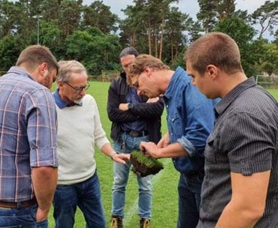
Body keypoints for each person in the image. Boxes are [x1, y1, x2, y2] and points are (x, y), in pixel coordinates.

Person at [184, 32, 278, 228]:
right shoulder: (259, 96)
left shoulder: (243, 116)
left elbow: (247, 208)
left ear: (211, 71)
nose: (193, 83)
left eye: (193, 76)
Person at [0, 45, 60, 227]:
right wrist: (44, 209)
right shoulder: (38, 94)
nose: (51, 85)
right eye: (52, 79)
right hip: (13, 213)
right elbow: (44, 166)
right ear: (43, 68)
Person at [127, 54, 217, 228]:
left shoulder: (189, 85)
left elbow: (200, 136)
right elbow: (189, 119)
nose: (138, 92)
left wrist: (159, 152)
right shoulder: (174, 90)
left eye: (137, 84)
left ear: (148, 71)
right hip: (189, 176)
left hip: (205, 177)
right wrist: (170, 135)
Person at [52, 60, 129, 228]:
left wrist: (113, 154)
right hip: (62, 186)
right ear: (60, 84)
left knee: (98, 224)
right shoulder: (47, 108)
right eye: (78, 88)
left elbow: (98, 135)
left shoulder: (89, 101)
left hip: (90, 179)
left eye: (85, 86)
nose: (83, 93)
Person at [107, 47, 164, 228]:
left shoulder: (152, 81)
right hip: (122, 141)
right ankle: (116, 219)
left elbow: (157, 109)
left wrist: (129, 106)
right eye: (124, 66)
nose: (128, 68)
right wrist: (142, 111)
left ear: (139, 62)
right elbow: (113, 114)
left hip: (144, 142)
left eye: (131, 64)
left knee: (145, 184)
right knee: (118, 183)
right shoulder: (116, 84)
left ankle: (145, 220)